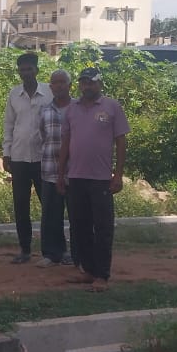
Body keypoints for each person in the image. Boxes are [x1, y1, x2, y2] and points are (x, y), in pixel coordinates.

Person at [57, 67, 129, 292]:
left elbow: (121, 142)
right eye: (84, 82)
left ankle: (102, 275)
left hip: (101, 179)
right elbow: (66, 143)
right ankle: (88, 270)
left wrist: (118, 174)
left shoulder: (112, 107)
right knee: (80, 227)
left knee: (103, 227)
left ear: (100, 84)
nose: (87, 86)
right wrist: (60, 174)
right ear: (79, 85)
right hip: (76, 177)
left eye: (92, 82)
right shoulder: (72, 109)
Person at [2, 52, 52, 264]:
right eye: (22, 70)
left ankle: (52, 250)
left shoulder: (49, 92)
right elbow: (8, 125)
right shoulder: (14, 94)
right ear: (19, 72)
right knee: (21, 206)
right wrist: (6, 153)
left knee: (49, 205)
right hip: (19, 157)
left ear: (36, 70)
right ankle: (25, 249)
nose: (26, 73)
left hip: (44, 158)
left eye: (29, 69)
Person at [36, 69, 73, 268]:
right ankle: (52, 254)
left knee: (78, 216)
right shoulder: (45, 111)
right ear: (50, 87)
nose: (59, 86)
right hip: (50, 170)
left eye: (62, 82)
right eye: (55, 83)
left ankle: (77, 254)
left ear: (70, 85)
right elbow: (43, 136)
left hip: (75, 172)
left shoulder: (78, 109)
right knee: (51, 215)